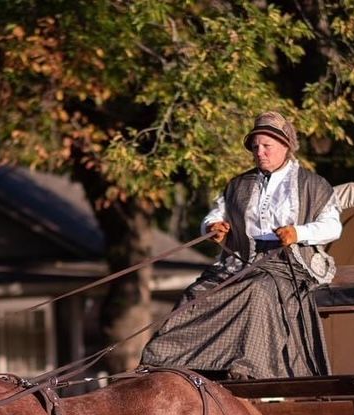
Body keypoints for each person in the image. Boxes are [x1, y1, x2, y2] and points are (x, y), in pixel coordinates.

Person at [140, 111, 340, 380]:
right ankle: (166, 364)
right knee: (196, 293)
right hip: (240, 264)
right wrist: (213, 228)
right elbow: (216, 214)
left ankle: (246, 369)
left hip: (286, 268)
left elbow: (332, 226)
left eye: (267, 146)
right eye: (256, 147)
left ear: (286, 147)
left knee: (258, 291)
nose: (260, 152)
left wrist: (297, 232)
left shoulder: (312, 185)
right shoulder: (238, 185)